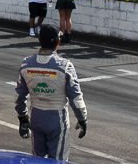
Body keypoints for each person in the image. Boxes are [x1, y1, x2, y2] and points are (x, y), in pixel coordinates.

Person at [15, 24, 88, 161]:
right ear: (57, 42)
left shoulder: (26, 64)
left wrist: (23, 118)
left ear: (40, 40)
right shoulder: (65, 66)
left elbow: (19, 96)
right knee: (58, 161)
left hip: (36, 118)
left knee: (37, 160)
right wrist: (82, 118)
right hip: (57, 120)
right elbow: (76, 98)